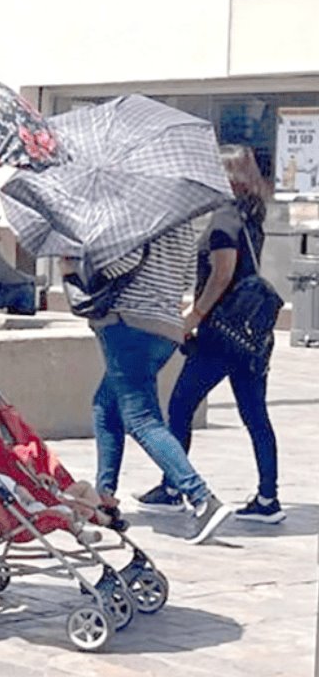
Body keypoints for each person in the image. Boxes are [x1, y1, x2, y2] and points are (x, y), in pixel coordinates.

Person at [133, 144, 285, 523]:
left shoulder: (223, 221)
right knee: (255, 414)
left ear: (227, 178)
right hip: (251, 335)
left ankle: (173, 487)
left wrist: (194, 316)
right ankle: (268, 498)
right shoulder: (250, 216)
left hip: (221, 335)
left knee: (181, 405)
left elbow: (222, 276)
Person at [66, 219, 233, 545]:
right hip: (166, 326)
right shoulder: (182, 217)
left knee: (142, 418)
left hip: (129, 324)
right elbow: (186, 276)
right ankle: (105, 495)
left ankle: (202, 499)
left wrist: (75, 262)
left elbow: (120, 264)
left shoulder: (133, 212)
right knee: (106, 405)